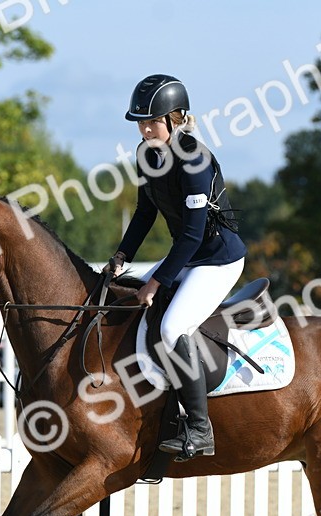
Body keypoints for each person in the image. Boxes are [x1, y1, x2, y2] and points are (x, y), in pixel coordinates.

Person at [106, 74, 247, 460]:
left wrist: (156, 281)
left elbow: (191, 234)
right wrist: (121, 257)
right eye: (141, 122)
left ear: (177, 118)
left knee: (171, 327)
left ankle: (201, 429)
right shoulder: (145, 154)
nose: (146, 128)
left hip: (218, 259)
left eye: (153, 121)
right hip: (189, 256)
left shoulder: (194, 159)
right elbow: (144, 211)